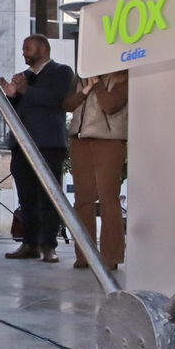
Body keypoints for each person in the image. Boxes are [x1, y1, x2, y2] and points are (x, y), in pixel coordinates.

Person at [0, 34, 74, 262]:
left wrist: (24, 91)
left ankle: (48, 245)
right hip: (21, 145)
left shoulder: (62, 72)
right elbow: (19, 110)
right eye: (23, 48)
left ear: (42, 49)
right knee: (26, 196)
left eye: (27, 48)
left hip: (48, 144)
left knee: (49, 196)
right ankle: (29, 243)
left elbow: (55, 100)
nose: (24, 52)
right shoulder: (24, 78)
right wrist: (11, 96)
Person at [63, 70, 128, 270]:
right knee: (83, 199)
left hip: (108, 139)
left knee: (109, 198)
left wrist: (97, 84)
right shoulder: (81, 77)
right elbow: (67, 105)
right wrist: (85, 90)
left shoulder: (122, 77)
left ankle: (111, 256)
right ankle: (84, 254)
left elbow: (111, 106)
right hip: (80, 139)